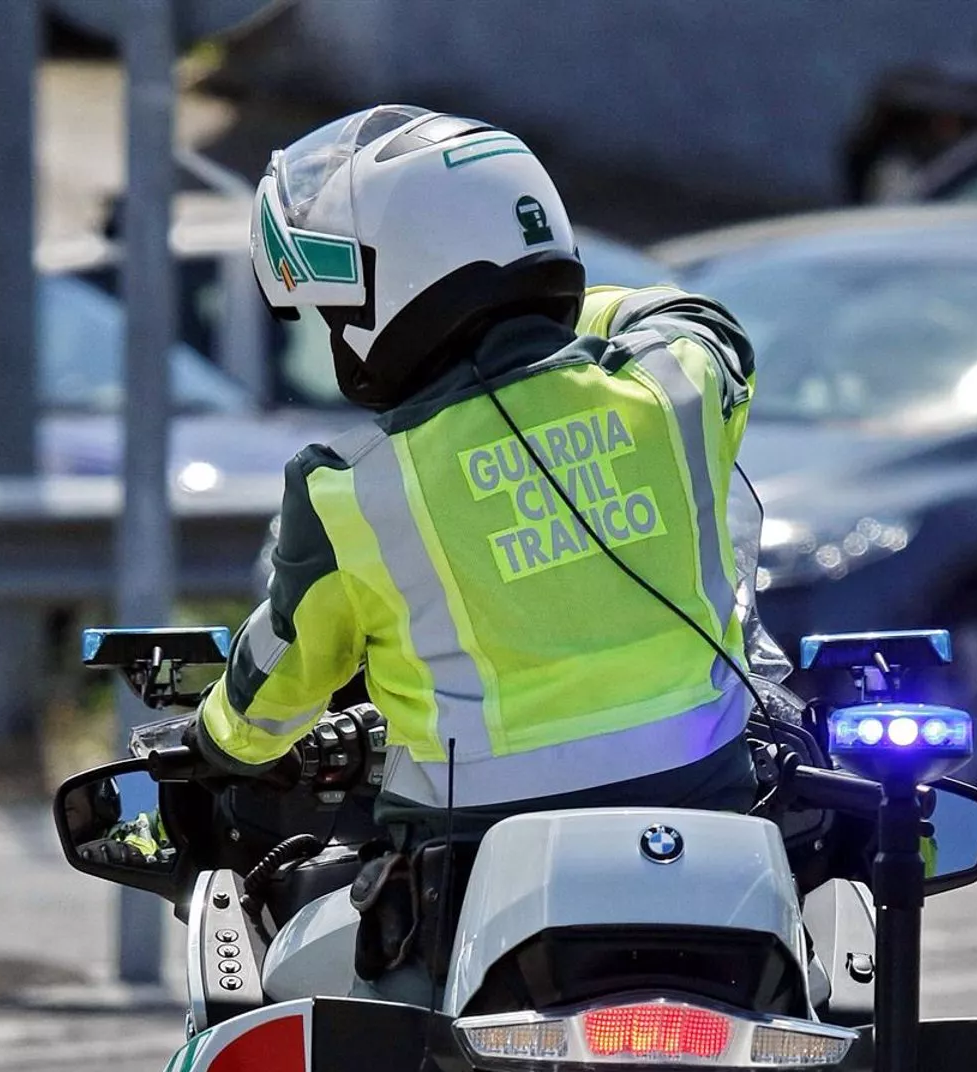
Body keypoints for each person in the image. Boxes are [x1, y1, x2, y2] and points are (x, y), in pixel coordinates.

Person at [189, 104, 760, 859]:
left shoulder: (351, 486)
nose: (336, 330)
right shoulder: (672, 385)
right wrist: (527, 312)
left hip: (469, 850)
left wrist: (213, 740)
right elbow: (690, 315)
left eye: (338, 310)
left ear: (401, 272)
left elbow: (276, 688)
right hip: (705, 802)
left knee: (308, 953)